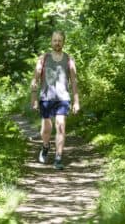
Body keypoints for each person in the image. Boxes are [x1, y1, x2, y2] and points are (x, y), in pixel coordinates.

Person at [30, 30, 80, 170]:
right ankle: (46, 146)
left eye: (60, 40)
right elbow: (35, 80)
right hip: (46, 98)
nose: (57, 43)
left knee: (60, 126)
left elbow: (74, 81)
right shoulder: (43, 58)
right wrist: (34, 99)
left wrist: (76, 101)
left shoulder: (69, 59)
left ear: (63, 42)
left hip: (63, 98)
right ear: (51, 41)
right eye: (55, 40)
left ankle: (58, 157)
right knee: (46, 129)